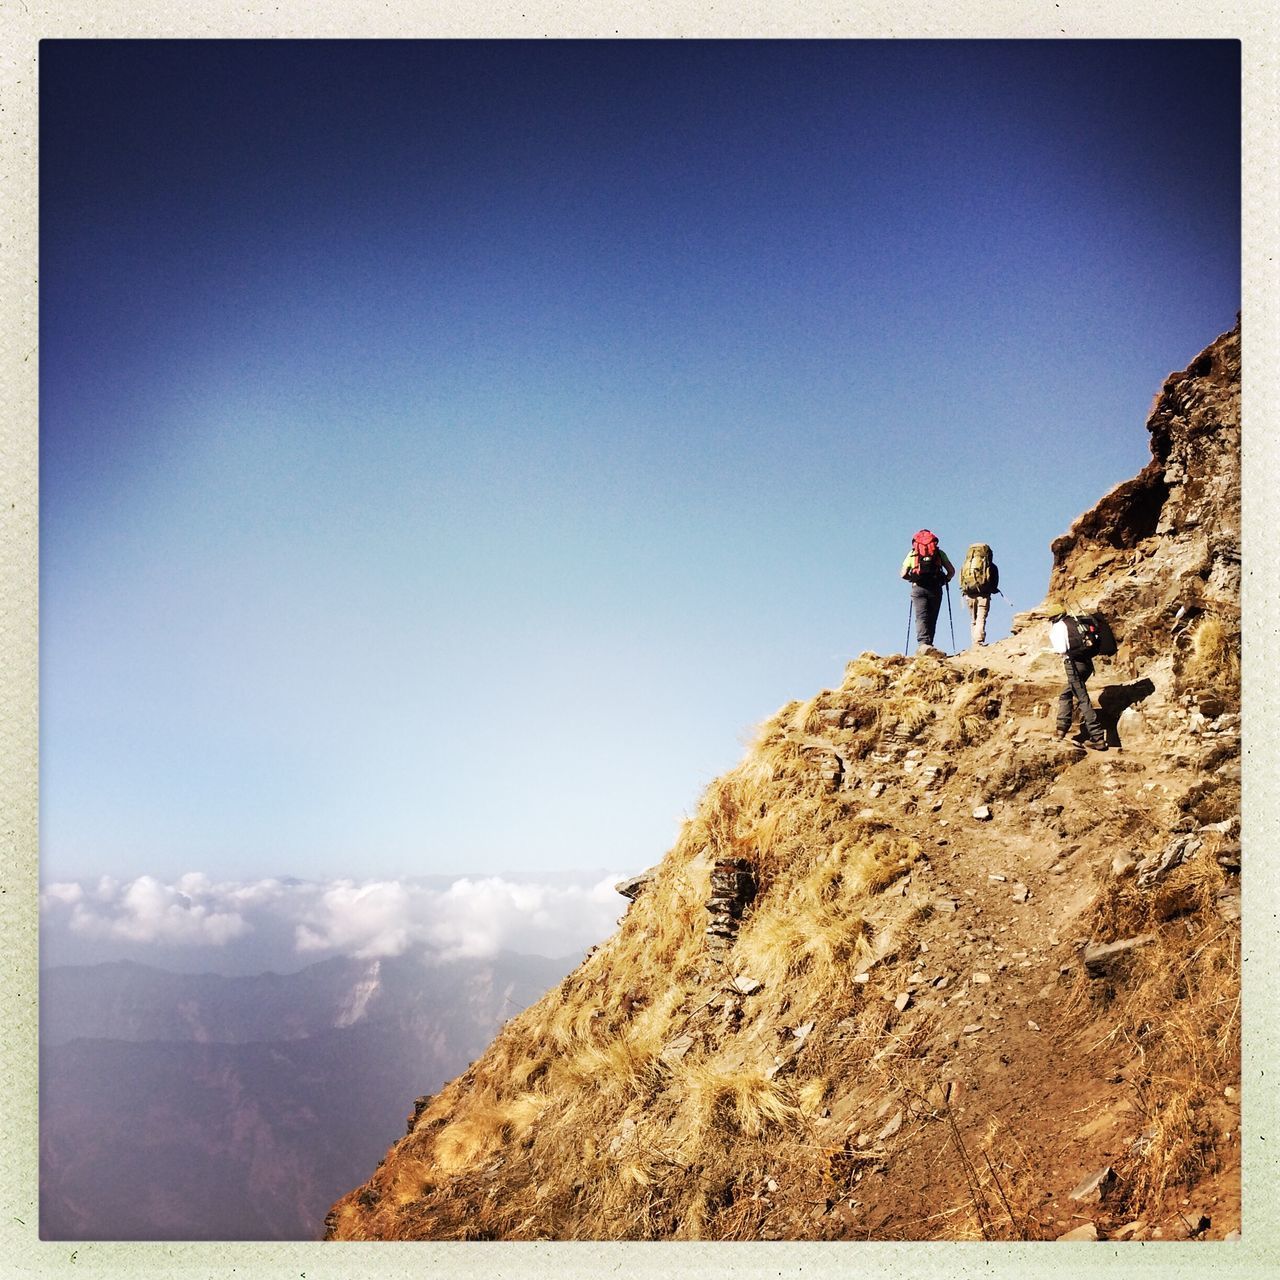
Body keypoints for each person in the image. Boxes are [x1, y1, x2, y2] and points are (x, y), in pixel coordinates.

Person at [1049, 606, 1108, 751]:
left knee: (1083, 698)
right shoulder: (1075, 622)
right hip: (1087, 664)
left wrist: (1054, 651)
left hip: (1073, 665)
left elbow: (1061, 649)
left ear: (1054, 617)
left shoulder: (1058, 627)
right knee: (1066, 694)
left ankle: (1098, 738)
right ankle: (1061, 730)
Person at [900, 529, 955, 655]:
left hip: (918, 588)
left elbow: (902, 574)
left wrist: (912, 579)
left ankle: (923, 644)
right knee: (932, 617)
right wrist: (945, 579)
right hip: (935, 587)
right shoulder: (939, 553)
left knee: (921, 617)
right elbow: (951, 571)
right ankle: (929, 644)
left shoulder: (912, 553)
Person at [959, 543, 999, 647]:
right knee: (981, 617)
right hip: (983, 595)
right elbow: (994, 582)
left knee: (973, 620)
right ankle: (978, 641)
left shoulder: (966, 564)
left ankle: (974, 643)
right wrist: (993, 589)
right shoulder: (991, 565)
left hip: (969, 594)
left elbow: (960, 580)